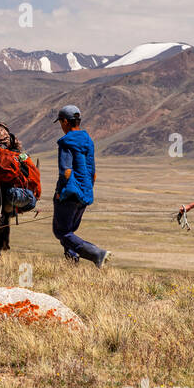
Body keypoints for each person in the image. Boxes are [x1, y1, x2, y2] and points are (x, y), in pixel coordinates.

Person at [52, 105, 109, 267]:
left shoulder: (66, 142)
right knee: (69, 231)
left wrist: (59, 192)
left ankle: (97, 253)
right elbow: (94, 173)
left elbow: (66, 172)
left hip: (69, 193)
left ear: (65, 121)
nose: (61, 126)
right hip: (85, 192)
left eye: (61, 122)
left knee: (61, 232)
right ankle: (72, 263)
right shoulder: (87, 140)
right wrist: (86, 189)